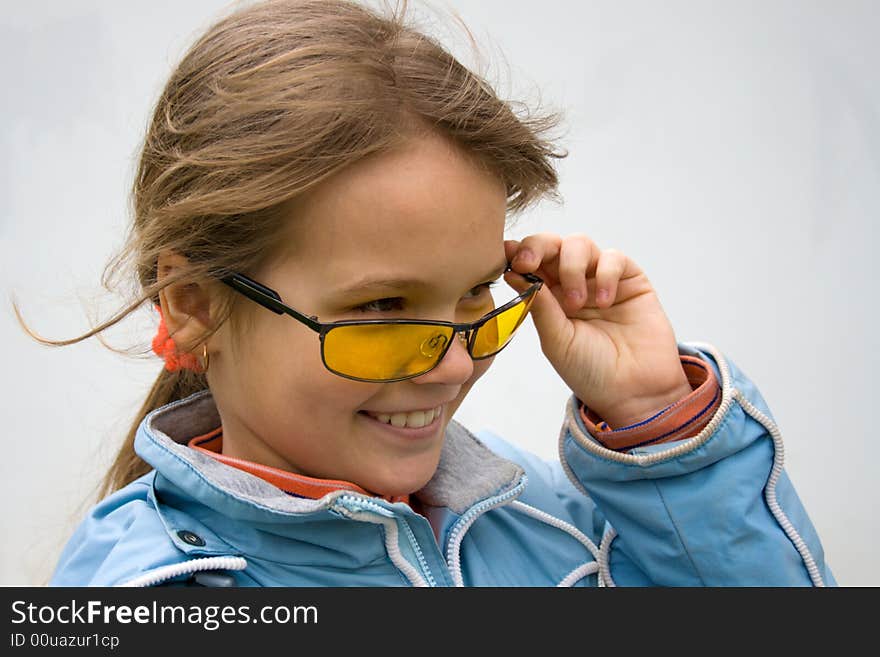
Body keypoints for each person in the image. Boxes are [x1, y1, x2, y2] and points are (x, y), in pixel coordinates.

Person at [33, 0, 833, 587]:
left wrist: (655, 414)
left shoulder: (549, 516)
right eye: (383, 308)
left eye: (476, 293)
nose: (453, 367)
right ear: (195, 303)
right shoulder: (144, 595)